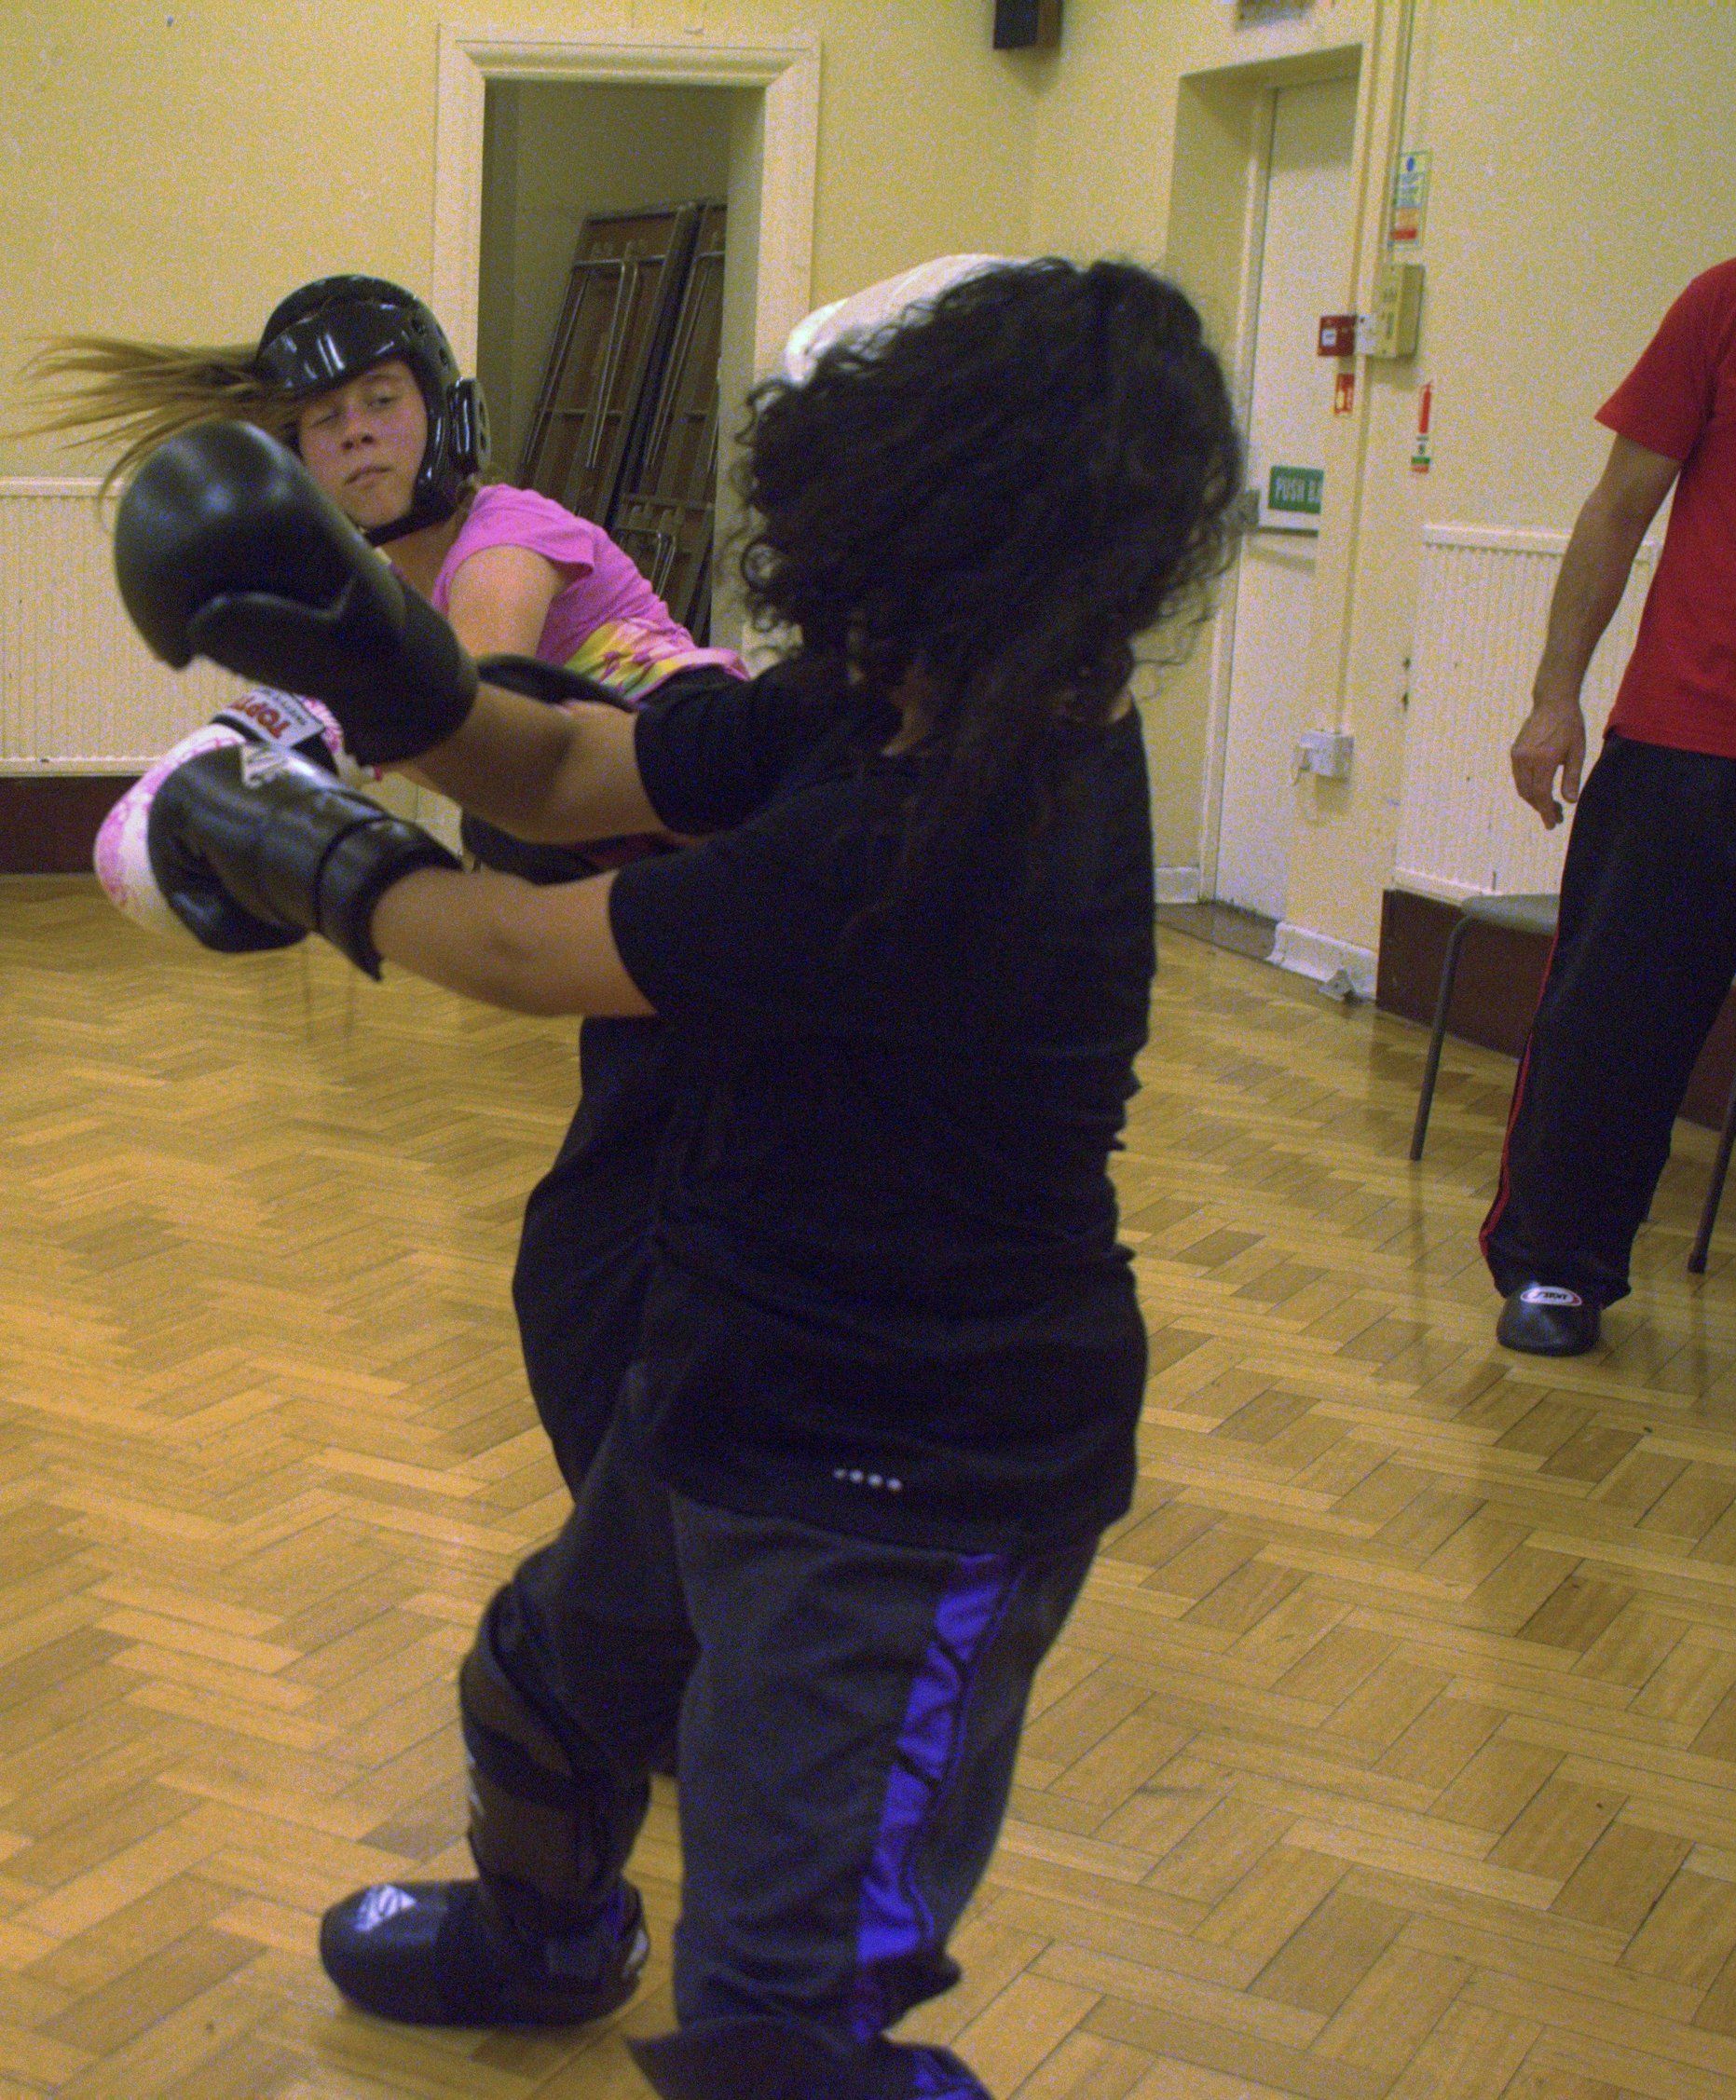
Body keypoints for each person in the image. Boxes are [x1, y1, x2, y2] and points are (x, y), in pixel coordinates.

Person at [107, 256, 1242, 2098]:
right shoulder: (895, 701)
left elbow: (524, 946)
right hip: (743, 1361)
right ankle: (549, 1938)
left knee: (783, 2013)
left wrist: (287, 838)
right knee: (548, 1691)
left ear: (923, 513)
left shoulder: (949, 828)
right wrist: (368, 654)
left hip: (917, 1474)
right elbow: (567, 763)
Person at [41, 276, 745, 1485]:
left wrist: (269, 744)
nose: (360, 431)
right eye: (328, 418)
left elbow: (468, 690)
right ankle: (654, 1547)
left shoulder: (506, 531)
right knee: (590, 1281)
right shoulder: (382, 591)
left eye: (382, 399)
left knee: (615, 1278)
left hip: (728, 849)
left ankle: (688, 1542)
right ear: (296, 455)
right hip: (658, 933)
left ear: (445, 414)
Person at [1490, 242, 1736, 1356]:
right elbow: (1619, 507)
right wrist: (1553, 695)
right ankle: (1559, 1271)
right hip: (1686, 742)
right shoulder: (1730, 300)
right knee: (1610, 1029)